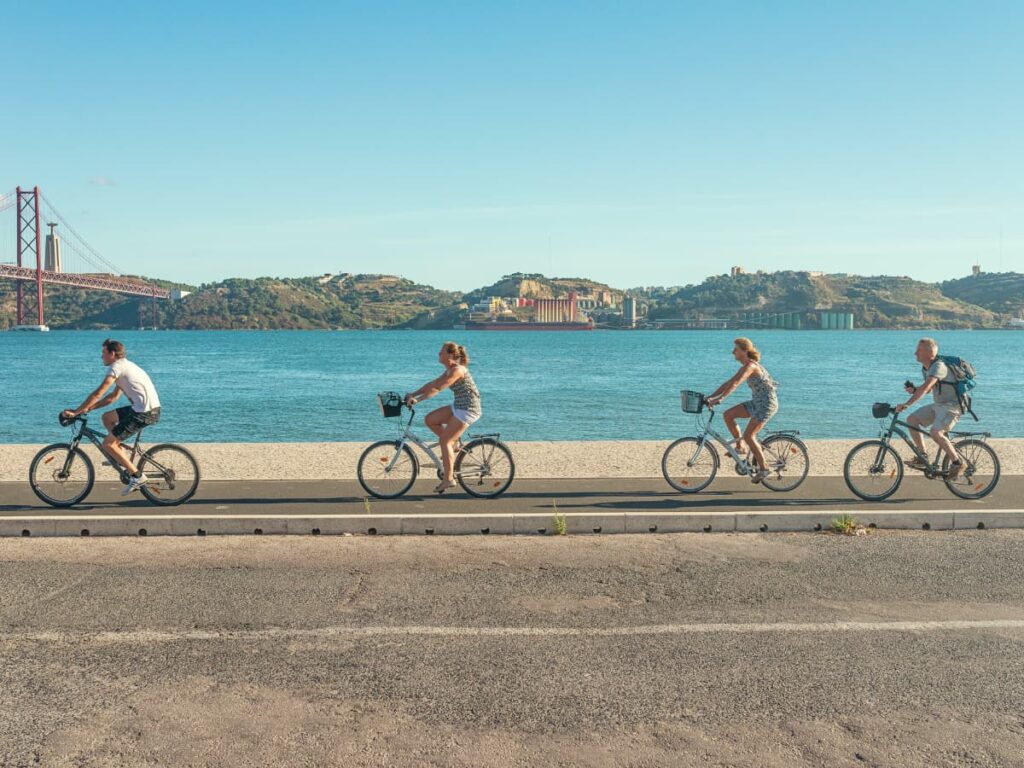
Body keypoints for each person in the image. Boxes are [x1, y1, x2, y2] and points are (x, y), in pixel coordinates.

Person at [61, 339, 162, 495]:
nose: (101, 356)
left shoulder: (117, 367)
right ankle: (118, 452)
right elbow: (112, 398)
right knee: (107, 418)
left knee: (108, 444)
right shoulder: (125, 366)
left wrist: (76, 412)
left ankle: (137, 476)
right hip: (144, 408)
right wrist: (88, 408)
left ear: (112, 354)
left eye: (103, 353)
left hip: (144, 412)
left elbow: (99, 393)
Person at [404, 341, 482, 494]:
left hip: (468, 409)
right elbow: (432, 384)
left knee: (444, 441)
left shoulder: (458, 371)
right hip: (459, 406)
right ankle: (454, 444)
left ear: (450, 355)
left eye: (441, 351)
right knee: (430, 420)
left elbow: (438, 388)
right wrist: (413, 394)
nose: (439, 354)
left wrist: (417, 400)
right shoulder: (449, 370)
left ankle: (448, 479)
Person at [704, 338, 778, 483]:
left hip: (767, 404)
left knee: (749, 435)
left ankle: (764, 468)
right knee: (728, 415)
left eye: (736, 349)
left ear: (744, 351)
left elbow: (736, 383)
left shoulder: (751, 366)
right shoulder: (744, 366)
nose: (733, 352)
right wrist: (710, 397)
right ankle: (740, 447)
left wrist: (721, 399)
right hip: (757, 402)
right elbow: (729, 382)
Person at [895, 337, 963, 478]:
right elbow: (930, 389)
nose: (915, 353)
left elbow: (926, 387)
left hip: (952, 407)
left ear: (929, 352)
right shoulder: (927, 368)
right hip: (939, 405)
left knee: (935, 433)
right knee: (912, 419)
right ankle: (923, 456)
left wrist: (907, 403)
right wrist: (914, 390)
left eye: (918, 350)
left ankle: (957, 463)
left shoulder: (939, 366)